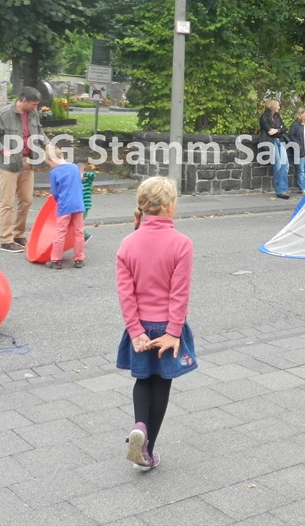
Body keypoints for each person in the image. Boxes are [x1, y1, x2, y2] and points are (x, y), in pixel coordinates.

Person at [116, 177, 197, 472]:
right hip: (166, 328)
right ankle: (147, 453)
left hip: (139, 327)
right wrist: (173, 332)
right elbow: (179, 293)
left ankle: (139, 425)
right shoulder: (181, 243)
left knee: (142, 380)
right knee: (161, 383)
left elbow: (125, 293)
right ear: (168, 206)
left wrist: (134, 330)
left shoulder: (128, 243)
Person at [0, 87, 44, 253]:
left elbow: (39, 131)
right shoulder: (4, 114)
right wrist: (3, 150)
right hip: (8, 165)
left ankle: (19, 235)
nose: (36, 107)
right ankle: (6, 240)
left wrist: (47, 144)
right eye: (34, 104)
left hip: (27, 162)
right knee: (7, 202)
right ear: (24, 101)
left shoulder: (33, 114)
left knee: (26, 200)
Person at [44, 144, 85, 269]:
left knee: (60, 233)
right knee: (79, 232)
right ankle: (79, 259)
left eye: (49, 164)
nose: (50, 166)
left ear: (52, 160)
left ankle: (56, 260)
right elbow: (79, 182)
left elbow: (55, 192)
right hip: (78, 204)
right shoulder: (74, 167)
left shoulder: (54, 172)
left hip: (64, 206)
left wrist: (58, 201)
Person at [258, 99, 290, 199]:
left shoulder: (277, 116)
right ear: (272, 106)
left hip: (279, 141)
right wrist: (279, 129)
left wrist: (277, 130)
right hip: (271, 142)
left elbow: (284, 129)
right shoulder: (264, 117)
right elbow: (269, 131)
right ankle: (279, 190)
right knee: (278, 165)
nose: (279, 107)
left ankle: (284, 189)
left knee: (285, 165)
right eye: (278, 105)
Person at [288, 107, 305, 194]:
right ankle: (302, 188)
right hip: (300, 151)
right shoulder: (295, 125)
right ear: (301, 114)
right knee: (301, 170)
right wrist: (298, 145)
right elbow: (291, 135)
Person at [79, 162, 95, 242]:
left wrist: (83, 175)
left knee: (78, 223)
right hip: (79, 206)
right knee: (77, 222)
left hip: (85, 205)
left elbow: (92, 175)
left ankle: (86, 235)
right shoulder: (78, 182)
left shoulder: (87, 181)